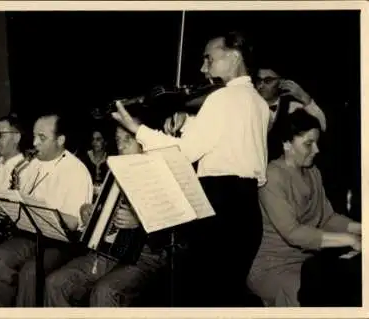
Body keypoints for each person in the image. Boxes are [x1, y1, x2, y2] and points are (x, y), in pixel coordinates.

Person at [111, 31, 270, 306]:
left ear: (233, 57)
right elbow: (231, 146)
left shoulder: (221, 99)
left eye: (209, 58)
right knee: (227, 295)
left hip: (220, 205)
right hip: (247, 210)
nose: (202, 67)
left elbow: (184, 152)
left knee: (199, 296)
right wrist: (188, 122)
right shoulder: (259, 102)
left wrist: (137, 130)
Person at [0, 113, 93, 307]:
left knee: (31, 274)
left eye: (42, 138)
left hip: (61, 243)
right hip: (29, 236)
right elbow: (8, 204)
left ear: (60, 140)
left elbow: (72, 223)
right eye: (35, 136)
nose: (35, 142)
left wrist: (40, 208)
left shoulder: (76, 170)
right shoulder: (30, 165)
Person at [45, 113, 168, 307]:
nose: (122, 145)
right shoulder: (115, 171)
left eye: (129, 139)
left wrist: (141, 221)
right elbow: (104, 219)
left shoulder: (161, 174)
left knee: (105, 292)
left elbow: (173, 232)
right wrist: (90, 212)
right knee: (54, 283)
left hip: (145, 256)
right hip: (107, 253)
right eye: (119, 140)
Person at [247, 109, 361, 307]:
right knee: (319, 296)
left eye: (316, 143)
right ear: (286, 144)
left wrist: (361, 229)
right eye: (309, 144)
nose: (316, 150)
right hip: (272, 268)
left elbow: (327, 218)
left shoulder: (313, 172)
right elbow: (292, 233)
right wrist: (350, 239)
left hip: (307, 265)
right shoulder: (272, 177)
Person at [255, 66, 327, 162]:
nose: (261, 86)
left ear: (282, 82)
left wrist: (306, 100)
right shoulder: (248, 105)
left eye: (268, 80)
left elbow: (322, 127)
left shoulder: (292, 107)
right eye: (259, 80)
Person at [79, 128, 109, 199]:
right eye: (93, 139)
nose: (94, 142)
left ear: (105, 142)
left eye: (98, 139)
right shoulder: (83, 159)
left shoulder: (110, 160)